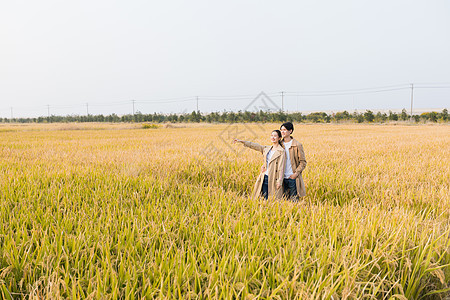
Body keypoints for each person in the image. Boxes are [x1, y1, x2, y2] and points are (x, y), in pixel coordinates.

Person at [233, 130, 286, 200]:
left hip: (273, 178)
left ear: (279, 138)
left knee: (273, 200)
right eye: (272, 135)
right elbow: (255, 146)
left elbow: (281, 167)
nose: (273, 137)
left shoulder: (281, 151)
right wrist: (242, 141)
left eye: (275, 136)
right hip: (264, 177)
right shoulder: (267, 148)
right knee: (263, 198)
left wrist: (279, 181)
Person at [279, 122, 307, 200]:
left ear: (290, 131)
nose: (282, 132)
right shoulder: (279, 144)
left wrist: (296, 173)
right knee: (282, 201)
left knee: (294, 201)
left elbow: (303, 162)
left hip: (292, 178)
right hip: (281, 178)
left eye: (284, 130)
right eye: (281, 130)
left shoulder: (297, 145)